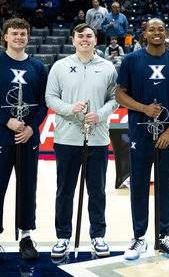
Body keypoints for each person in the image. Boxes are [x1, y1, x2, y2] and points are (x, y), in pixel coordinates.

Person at [115, 18, 169, 260]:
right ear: (144, 34)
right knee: (138, 185)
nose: (157, 33)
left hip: (168, 135)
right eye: (152, 29)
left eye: (161, 29)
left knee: (167, 186)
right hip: (139, 133)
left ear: (166, 33)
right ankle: (139, 238)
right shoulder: (131, 60)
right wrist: (144, 108)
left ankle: (163, 236)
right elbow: (119, 95)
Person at [0, 18, 48, 265]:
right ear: (4, 36)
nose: (19, 37)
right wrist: (8, 122)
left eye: (23, 33)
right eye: (14, 33)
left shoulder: (38, 66)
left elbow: (43, 104)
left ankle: (26, 237)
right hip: (0, 137)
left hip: (28, 138)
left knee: (28, 189)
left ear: (28, 37)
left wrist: (30, 128)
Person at [45, 23, 118, 258]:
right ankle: (63, 236)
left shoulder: (108, 68)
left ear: (96, 40)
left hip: (97, 138)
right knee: (65, 190)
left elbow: (114, 99)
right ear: (73, 40)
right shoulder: (60, 66)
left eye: (89, 36)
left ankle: (98, 236)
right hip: (67, 138)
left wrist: (100, 114)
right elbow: (50, 98)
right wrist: (70, 109)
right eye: (80, 36)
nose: (85, 39)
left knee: (96, 191)